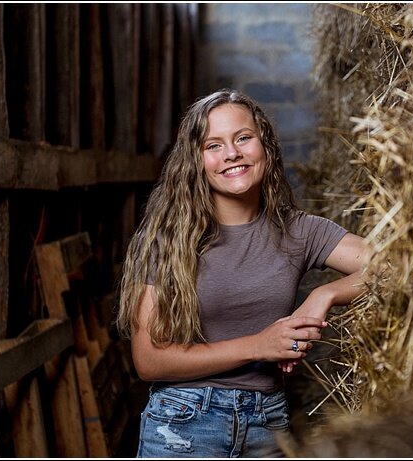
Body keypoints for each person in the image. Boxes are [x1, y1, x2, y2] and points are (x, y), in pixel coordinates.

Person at [117, 89, 371, 457]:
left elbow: (397, 264)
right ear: (195, 160)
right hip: (184, 423)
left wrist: (324, 295)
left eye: (243, 138)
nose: (232, 154)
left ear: (265, 146)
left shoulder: (299, 231)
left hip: (268, 424)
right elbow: (150, 360)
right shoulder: (165, 240)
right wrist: (258, 345)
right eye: (213, 145)